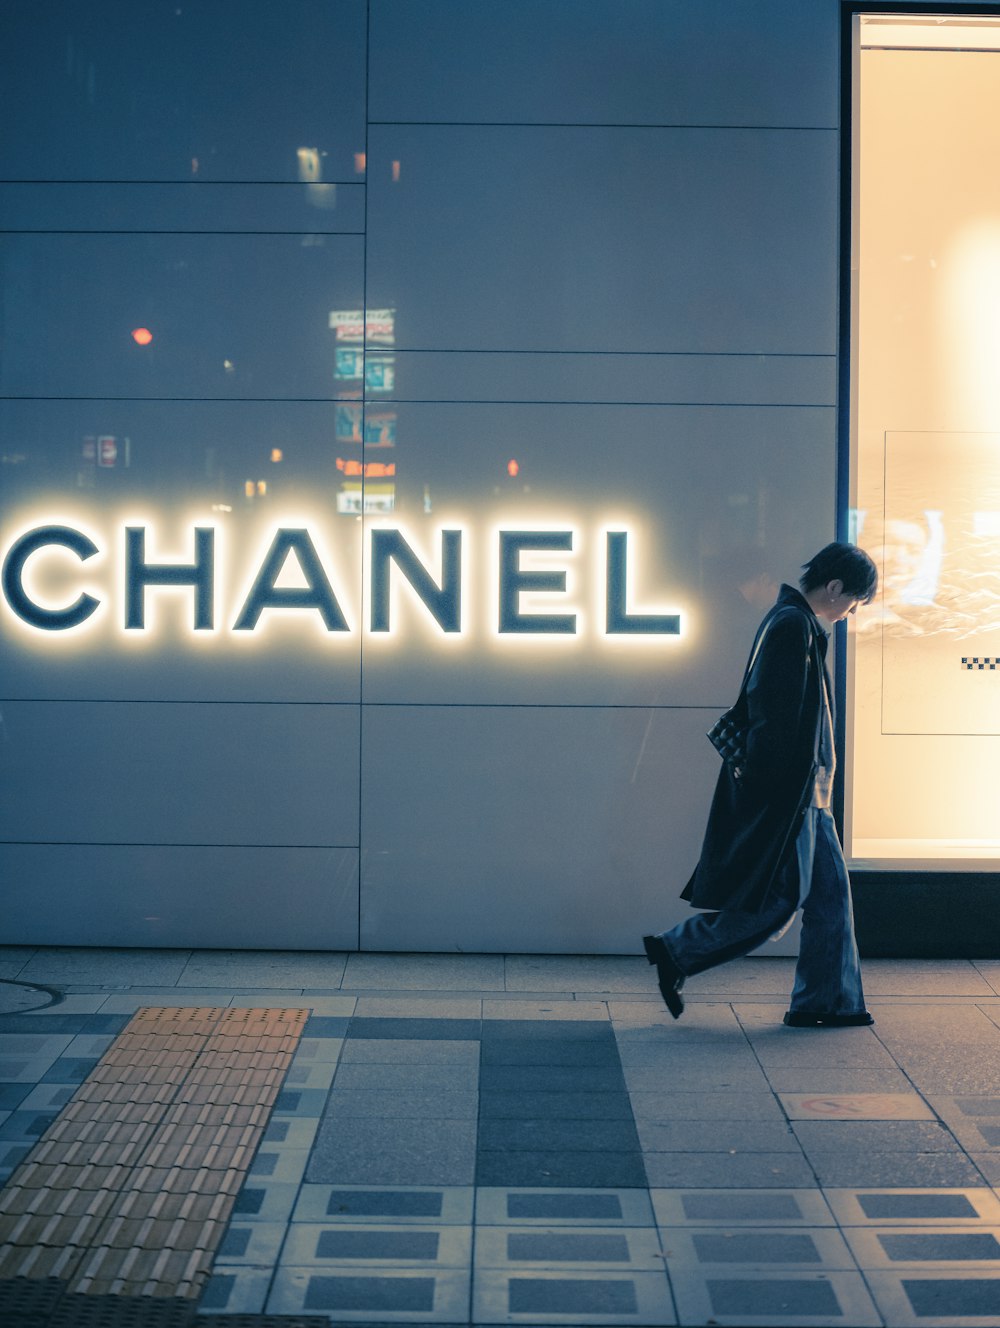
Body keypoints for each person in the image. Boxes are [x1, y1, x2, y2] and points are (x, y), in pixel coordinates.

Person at [643, 542, 879, 1028]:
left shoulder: (796, 623)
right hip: (795, 799)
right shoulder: (792, 625)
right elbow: (772, 716)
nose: (848, 614)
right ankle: (677, 950)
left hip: (813, 795)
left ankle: (827, 1002)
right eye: (852, 603)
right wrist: (777, 801)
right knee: (778, 903)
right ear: (834, 588)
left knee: (831, 902)